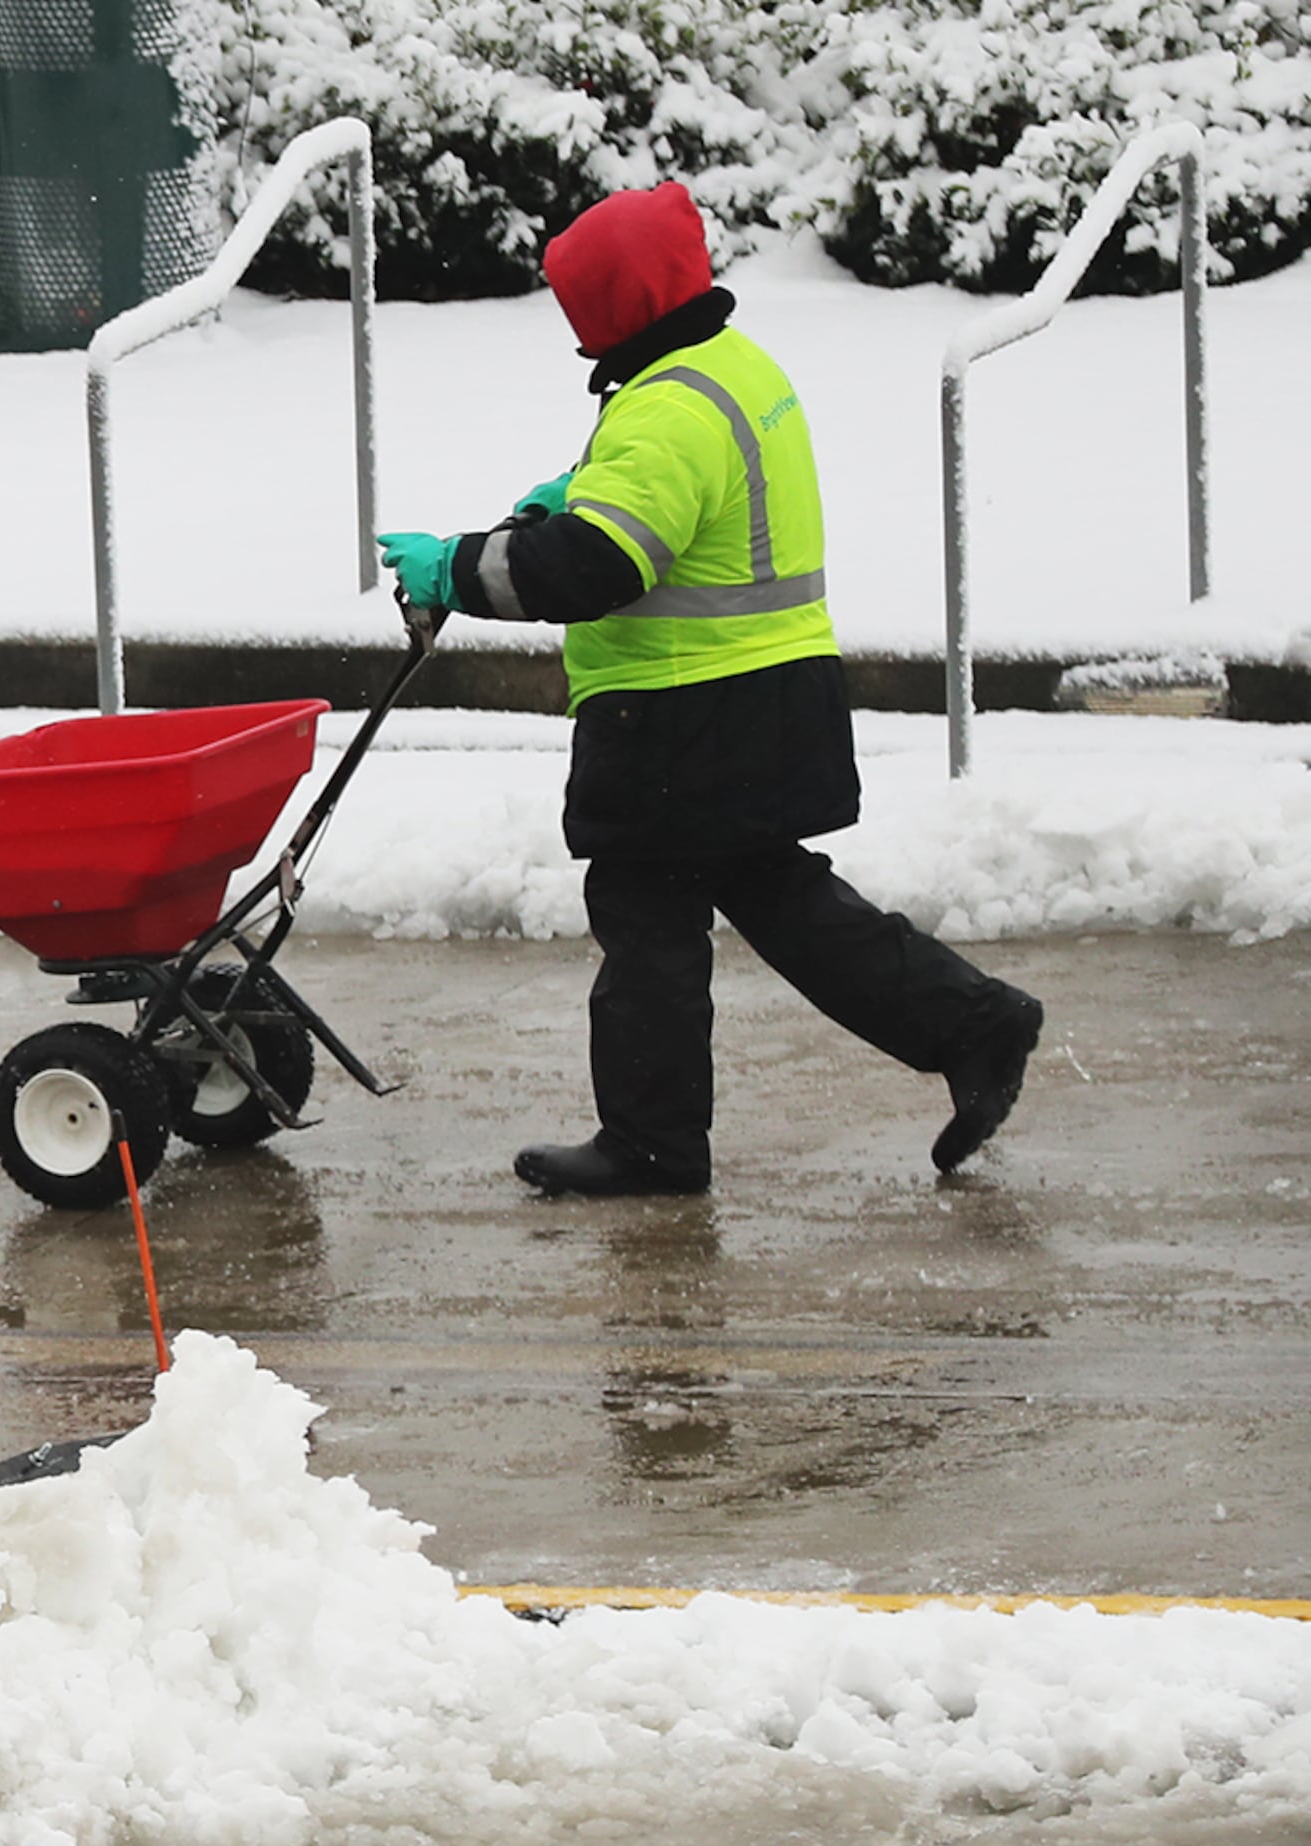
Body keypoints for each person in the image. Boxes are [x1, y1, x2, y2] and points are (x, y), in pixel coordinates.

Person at [373, 181, 1044, 1199]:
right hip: (763, 698)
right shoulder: (728, 369)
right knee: (777, 894)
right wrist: (571, 494)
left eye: (581, 313)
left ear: (615, 309)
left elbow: (597, 568)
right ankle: (973, 1023)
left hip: (681, 717)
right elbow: (664, 509)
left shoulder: (666, 409)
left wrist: (457, 568)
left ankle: (651, 1146)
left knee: (645, 918)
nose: (576, 335)